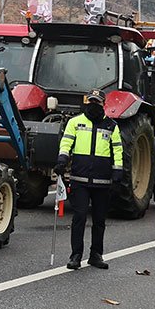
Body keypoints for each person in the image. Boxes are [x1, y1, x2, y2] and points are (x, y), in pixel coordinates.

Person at [55, 90, 123, 270]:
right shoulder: (75, 122)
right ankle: (76, 255)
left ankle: (96, 255)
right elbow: (66, 143)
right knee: (79, 217)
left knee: (99, 220)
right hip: (80, 179)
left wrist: (118, 172)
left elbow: (117, 150)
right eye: (91, 101)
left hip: (102, 181)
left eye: (97, 102)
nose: (93, 104)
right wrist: (62, 160)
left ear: (103, 104)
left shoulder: (111, 126)